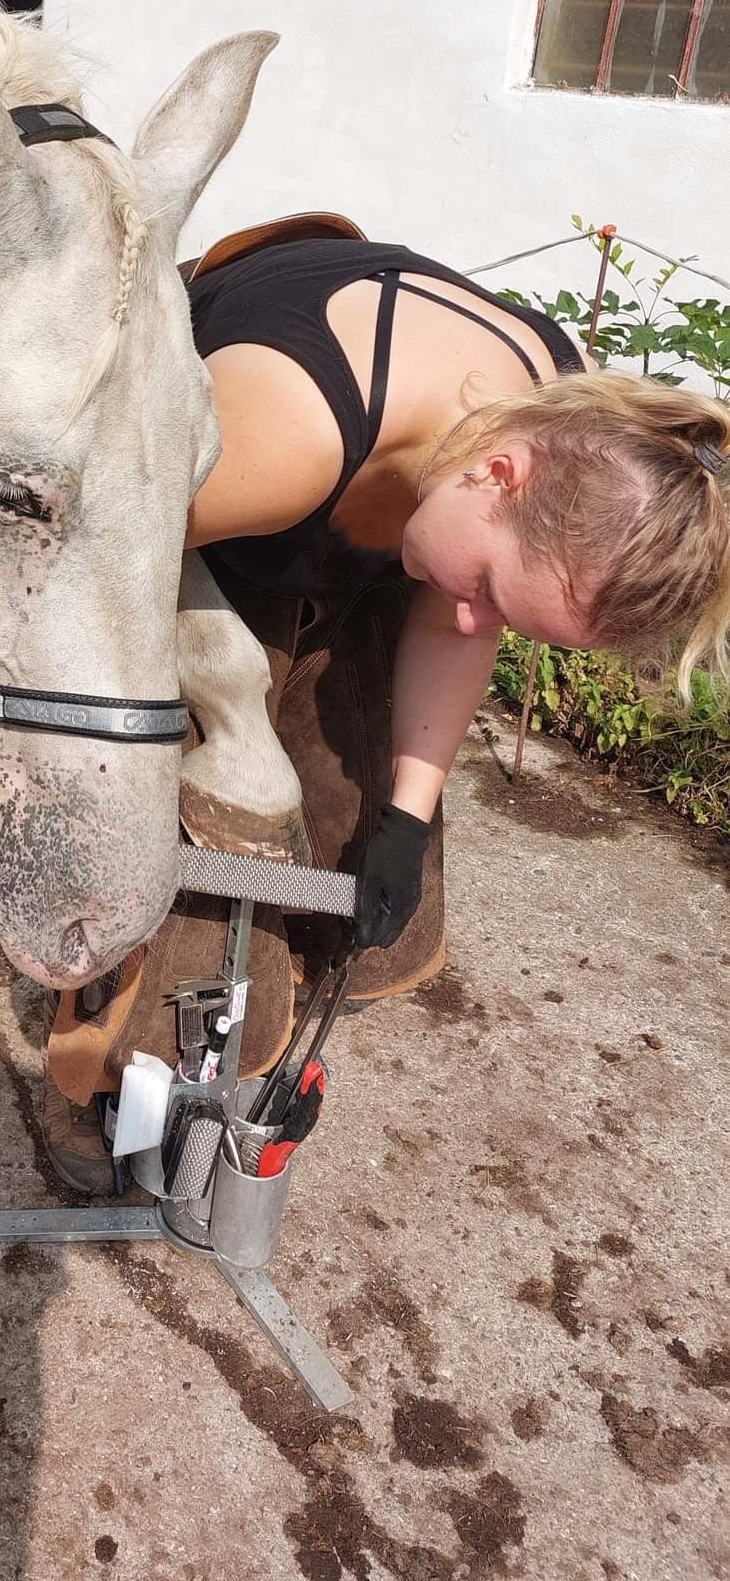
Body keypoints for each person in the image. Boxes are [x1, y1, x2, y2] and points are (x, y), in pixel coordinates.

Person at [44, 216, 730, 1193]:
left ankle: (238, 1038)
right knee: (204, 816)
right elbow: (63, 560)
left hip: (380, 504)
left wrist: (401, 821)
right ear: (498, 472)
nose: (474, 617)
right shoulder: (275, 439)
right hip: (176, 520)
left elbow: (452, 625)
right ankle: (101, 1068)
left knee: (357, 796)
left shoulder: (580, 428)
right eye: (491, 589)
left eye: (506, 612)